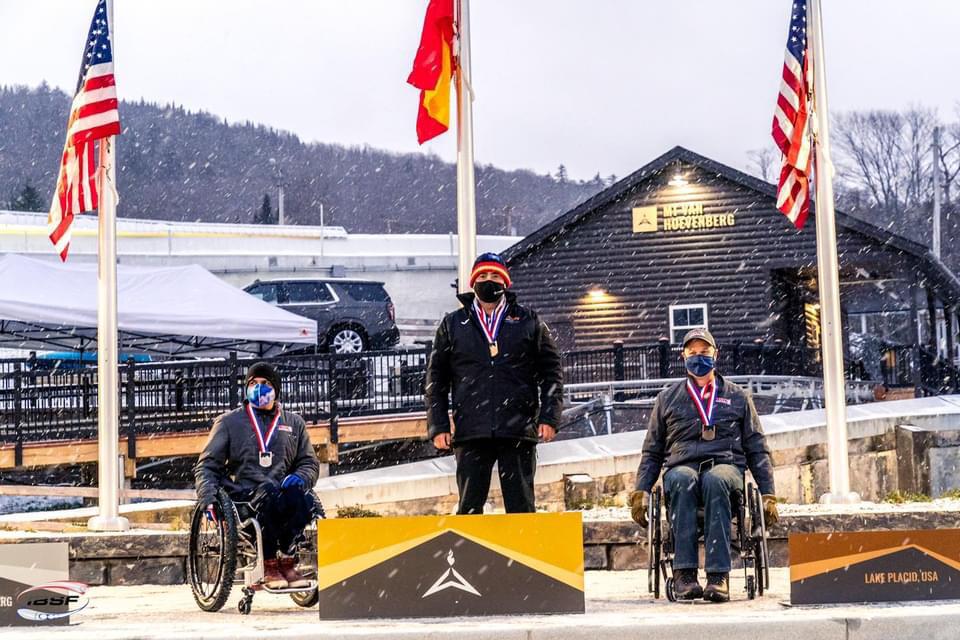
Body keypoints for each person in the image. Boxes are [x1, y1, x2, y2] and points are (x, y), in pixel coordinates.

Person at [629, 328, 779, 603]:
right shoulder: (668, 398)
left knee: (715, 480)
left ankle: (717, 576)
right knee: (682, 480)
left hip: (725, 464)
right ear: (683, 356)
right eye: (693, 353)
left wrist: (767, 493)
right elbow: (652, 450)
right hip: (682, 465)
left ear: (715, 355)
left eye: (704, 352)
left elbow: (757, 447)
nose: (699, 358)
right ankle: (684, 575)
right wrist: (642, 491)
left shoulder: (737, 396)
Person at [425, 252, 564, 514]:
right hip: (471, 429)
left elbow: (551, 371)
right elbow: (436, 379)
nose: (489, 281)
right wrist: (438, 425)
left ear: (505, 282)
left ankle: (524, 553)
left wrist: (549, 417)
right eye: (483, 276)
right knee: (469, 509)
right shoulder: (453, 324)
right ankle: (469, 556)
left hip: (518, 427)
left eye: (495, 276)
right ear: (473, 282)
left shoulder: (527, 320)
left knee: (521, 507)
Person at [195, 362, 320, 590]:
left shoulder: (293, 423)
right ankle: (269, 563)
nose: (259, 388)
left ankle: (288, 559)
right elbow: (207, 465)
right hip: (243, 496)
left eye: (265, 384)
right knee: (268, 494)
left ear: (276, 390)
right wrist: (208, 499)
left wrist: (302, 476)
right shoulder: (229, 422)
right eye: (253, 383)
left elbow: (308, 461)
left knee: (304, 499)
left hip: (281, 491)